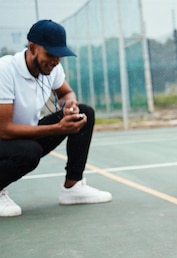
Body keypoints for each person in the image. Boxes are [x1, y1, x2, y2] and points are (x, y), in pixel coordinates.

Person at [0, 19, 112, 217]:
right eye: (50, 54)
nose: (55, 61)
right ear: (32, 47)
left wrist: (69, 106)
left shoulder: (52, 69)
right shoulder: (5, 70)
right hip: (4, 136)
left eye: (59, 55)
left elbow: (66, 93)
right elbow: (5, 129)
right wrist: (58, 128)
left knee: (84, 113)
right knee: (29, 152)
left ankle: (73, 187)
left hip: (23, 135)